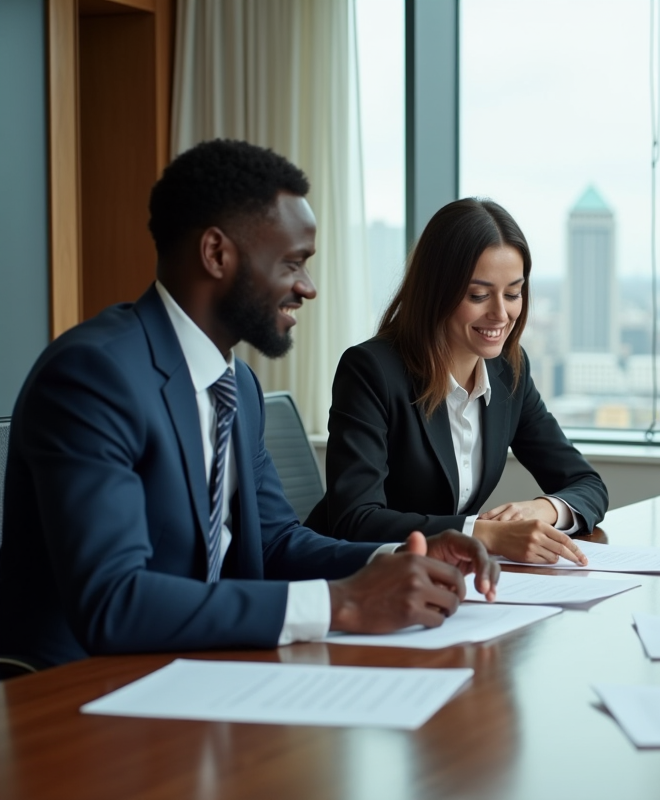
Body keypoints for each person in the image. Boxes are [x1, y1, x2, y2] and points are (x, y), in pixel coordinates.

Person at [0, 140, 499, 670]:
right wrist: (341, 603)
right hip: (78, 692)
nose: (307, 288)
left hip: (202, 672)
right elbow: (112, 600)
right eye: (292, 264)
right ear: (217, 254)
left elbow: (276, 542)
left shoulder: (236, 384)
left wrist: (398, 558)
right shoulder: (94, 375)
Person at [304, 198, 608, 566]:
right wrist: (482, 533)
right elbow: (356, 519)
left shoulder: (510, 371)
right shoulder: (371, 370)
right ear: (437, 291)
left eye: (513, 293)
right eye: (478, 295)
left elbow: (589, 486)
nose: (501, 313)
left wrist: (543, 509)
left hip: (443, 582)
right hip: (352, 579)